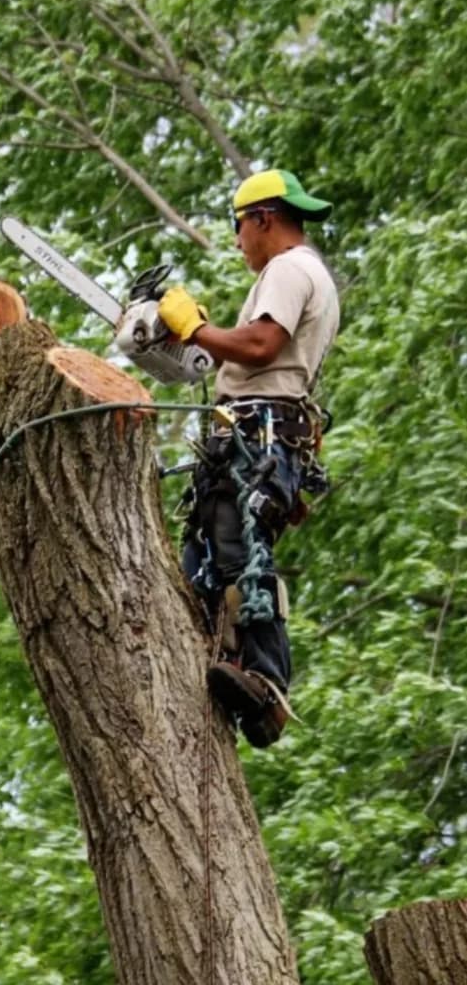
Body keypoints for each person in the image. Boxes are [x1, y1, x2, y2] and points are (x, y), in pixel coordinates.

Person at [156, 168, 339, 748]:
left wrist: (198, 330)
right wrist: (200, 342)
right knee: (202, 560)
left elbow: (261, 345)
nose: (238, 242)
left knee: (238, 552)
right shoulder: (307, 274)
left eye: (239, 228)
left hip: (259, 435)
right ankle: (218, 653)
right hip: (249, 434)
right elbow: (252, 354)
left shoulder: (289, 268)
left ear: (262, 218)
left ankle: (267, 685)